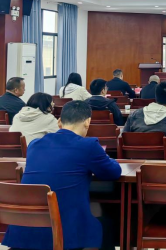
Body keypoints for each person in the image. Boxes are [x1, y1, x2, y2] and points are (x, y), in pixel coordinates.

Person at [3, 101, 122, 250]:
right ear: (87, 122)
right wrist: (108, 158)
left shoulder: (34, 145)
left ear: (59, 121)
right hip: (64, 234)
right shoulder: (89, 145)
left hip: (23, 233)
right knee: (107, 224)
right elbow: (113, 172)